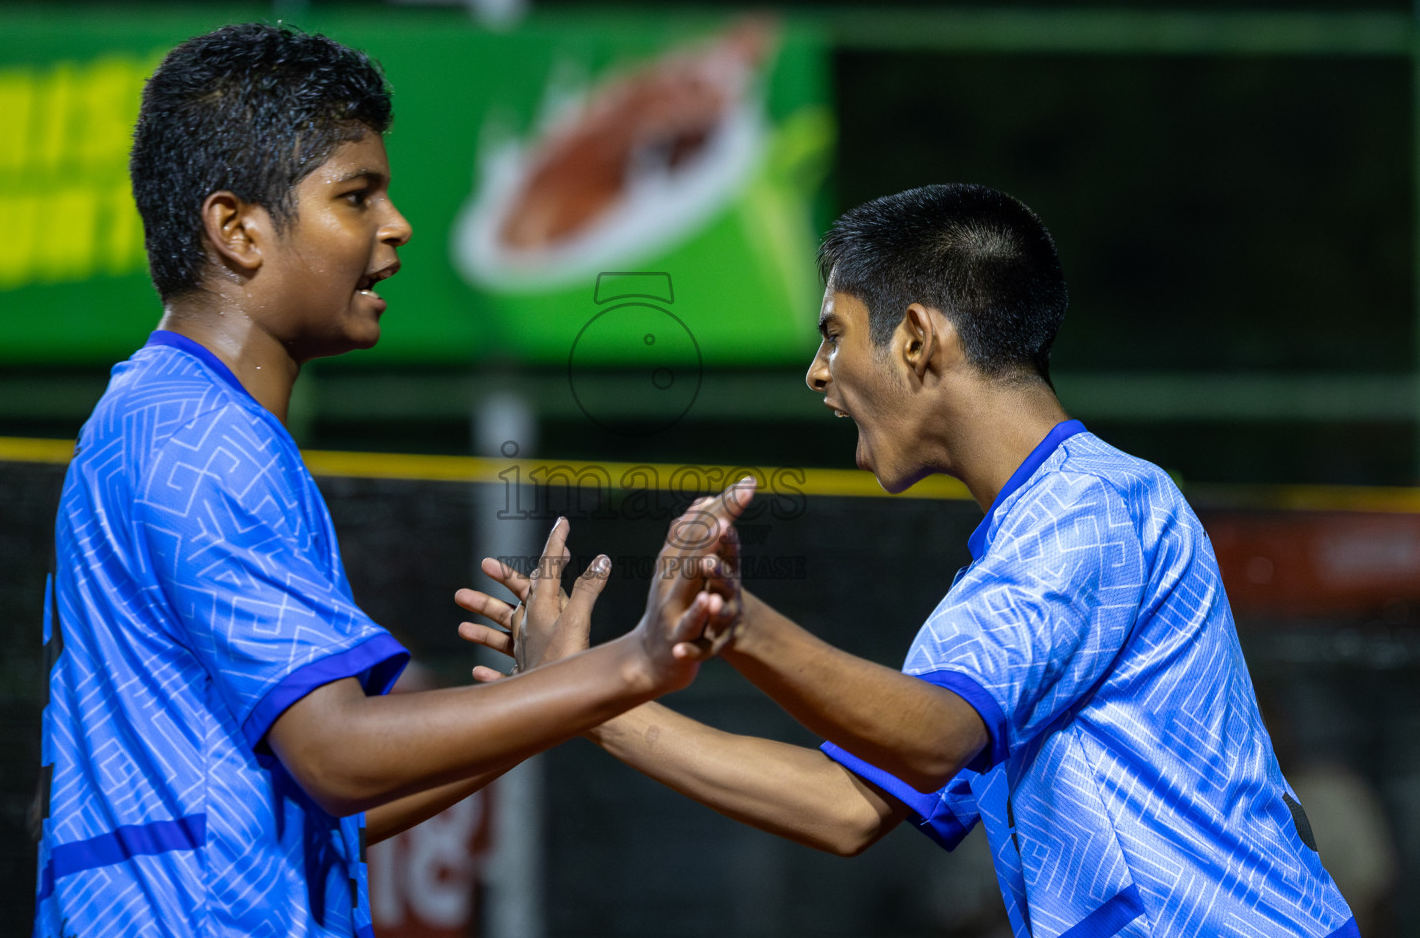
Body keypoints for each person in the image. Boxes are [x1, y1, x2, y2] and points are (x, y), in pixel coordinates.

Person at [458, 184, 1358, 937]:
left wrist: (734, 618)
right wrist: (591, 699)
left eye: (834, 334)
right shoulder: (1019, 557)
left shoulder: (1095, 505)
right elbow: (843, 806)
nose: (816, 373)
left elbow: (934, 737)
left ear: (917, 340)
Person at [32, 22, 742, 938]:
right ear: (236, 229)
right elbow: (335, 755)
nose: (395, 225)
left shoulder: (161, 416)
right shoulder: (199, 438)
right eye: (355, 196)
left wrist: (544, 695)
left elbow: (329, 804)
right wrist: (634, 660)